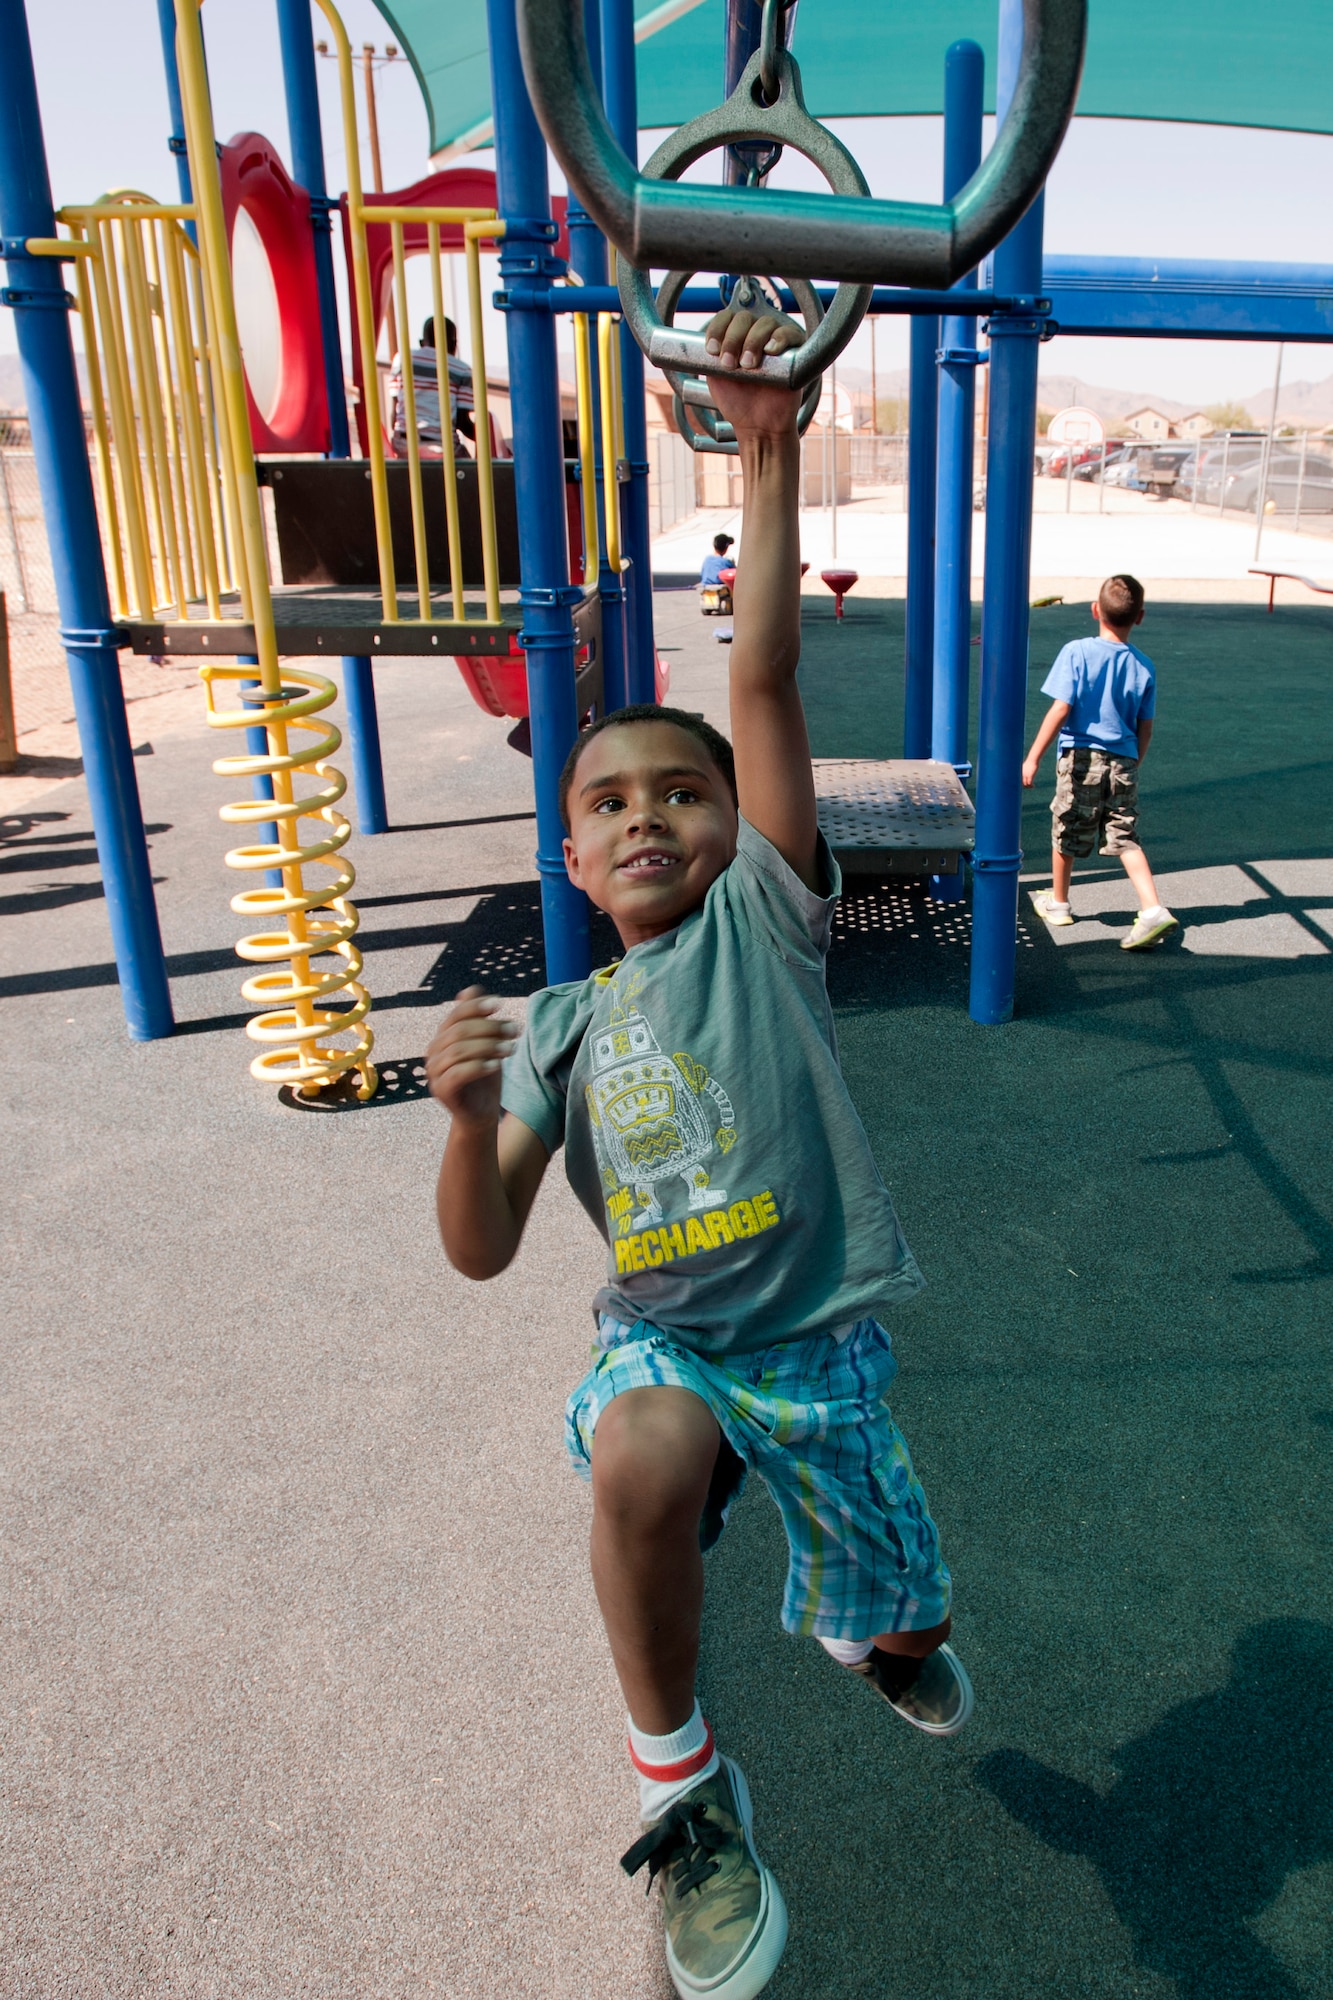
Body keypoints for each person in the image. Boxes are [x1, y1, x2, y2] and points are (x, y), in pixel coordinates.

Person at [425, 300, 968, 2000]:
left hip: (815, 1352)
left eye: (682, 791)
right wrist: (458, 1123)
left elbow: (760, 669)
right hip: (669, 1346)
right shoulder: (567, 1030)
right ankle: (686, 1793)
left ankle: (867, 1621)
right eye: (607, 801)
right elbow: (483, 1247)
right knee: (640, 1457)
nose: (645, 811)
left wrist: (764, 447)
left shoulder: (762, 929)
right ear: (571, 858)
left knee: (912, 1629)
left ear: (738, 834)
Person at [1023, 574, 1178, 950]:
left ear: (1096, 610)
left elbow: (1062, 709)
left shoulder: (1077, 651)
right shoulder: (1144, 666)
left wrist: (1033, 757)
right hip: (1123, 759)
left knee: (1067, 827)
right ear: (1139, 617)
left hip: (1081, 757)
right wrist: (1132, 762)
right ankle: (1152, 907)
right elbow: (1146, 727)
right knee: (1124, 836)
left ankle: (1058, 902)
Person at [389, 314, 476, 458]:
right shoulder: (461, 370)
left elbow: (395, 411)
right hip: (442, 446)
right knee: (472, 470)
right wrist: (486, 439)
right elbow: (462, 423)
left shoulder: (402, 360)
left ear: (422, 342)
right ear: (454, 344)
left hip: (404, 444)